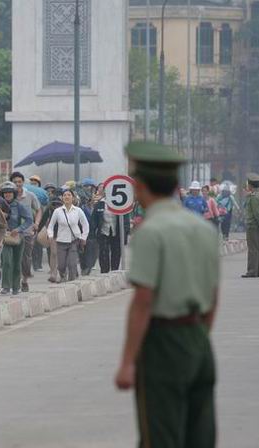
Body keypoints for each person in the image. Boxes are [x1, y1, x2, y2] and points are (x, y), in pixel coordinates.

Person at [115, 141, 220, 448]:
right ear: (176, 184)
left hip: (163, 344)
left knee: (160, 436)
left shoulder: (150, 231)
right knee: (199, 436)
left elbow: (144, 300)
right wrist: (198, 337)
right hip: (199, 341)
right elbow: (213, 298)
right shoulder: (202, 229)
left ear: (141, 187)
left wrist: (127, 362)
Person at [0, 181, 34, 296]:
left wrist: (19, 229)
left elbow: (29, 219)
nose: (7, 195)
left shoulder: (19, 206)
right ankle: (5, 286)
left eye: (10, 193)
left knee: (17, 262)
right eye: (5, 193)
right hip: (5, 238)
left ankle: (16, 286)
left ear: (14, 193)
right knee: (6, 262)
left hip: (18, 238)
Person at [47, 189, 89, 282]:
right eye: (65, 195)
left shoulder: (78, 211)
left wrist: (84, 237)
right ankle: (62, 275)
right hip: (61, 241)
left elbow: (85, 224)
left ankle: (72, 282)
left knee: (72, 263)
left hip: (74, 240)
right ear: (62, 198)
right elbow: (51, 225)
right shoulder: (57, 211)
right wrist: (50, 235)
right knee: (61, 265)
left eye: (69, 195)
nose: (67, 197)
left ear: (73, 198)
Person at [10, 172, 41, 292]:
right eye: (15, 182)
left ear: (23, 182)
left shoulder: (30, 195)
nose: (17, 184)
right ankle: (15, 281)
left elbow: (38, 210)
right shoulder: (8, 196)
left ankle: (24, 280)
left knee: (26, 258)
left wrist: (36, 223)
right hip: (12, 233)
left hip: (27, 232)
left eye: (19, 182)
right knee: (12, 258)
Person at [92, 191, 131, 274]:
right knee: (103, 254)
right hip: (104, 232)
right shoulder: (99, 204)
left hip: (116, 233)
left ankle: (114, 272)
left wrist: (125, 234)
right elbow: (94, 220)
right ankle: (104, 273)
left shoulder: (119, 203)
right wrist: (92, 234)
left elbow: (126, 220)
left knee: (116, 254)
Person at [243, 173, 259, 278]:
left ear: (251, 185)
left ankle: (252, 271)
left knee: (253, 249)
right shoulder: (255, 195)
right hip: (255, 225)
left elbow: (256, 213)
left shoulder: (253, 197)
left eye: (248, 184)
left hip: (253, 226)